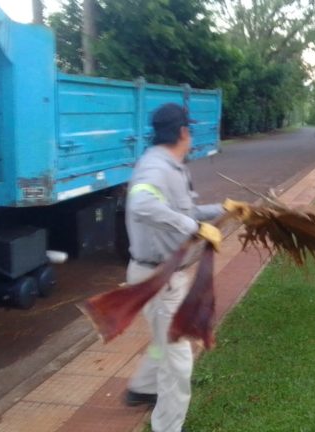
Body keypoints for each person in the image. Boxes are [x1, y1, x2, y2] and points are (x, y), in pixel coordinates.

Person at [123, 103, 225, 432]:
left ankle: (142, 388)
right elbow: (141, 203)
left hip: (157, 275)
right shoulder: (157, 167)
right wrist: (191, 228)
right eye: (190, 130)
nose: (191, 135)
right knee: (179, 359)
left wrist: (223, 208)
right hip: (159, 277)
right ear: (182, 132)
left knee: (162, 340)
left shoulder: (171, 166)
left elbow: (185, 210)